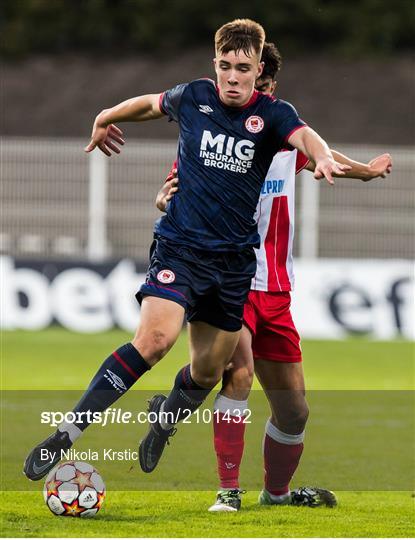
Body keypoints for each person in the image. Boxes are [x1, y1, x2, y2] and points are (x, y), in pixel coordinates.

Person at [24, 19, 351, 483]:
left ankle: (166, 419)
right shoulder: (194, 96)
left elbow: (306, 136)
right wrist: (105, 116)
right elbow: (149, 104)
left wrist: (320, 157)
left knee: (207, 371)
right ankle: (67, 432)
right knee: (155, 341)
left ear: (259, 69)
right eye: (224, 66)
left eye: (243, 68)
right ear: (214, 65)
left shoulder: (274, 115)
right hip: (180, 249)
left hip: (234, 265)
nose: (232, 77)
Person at [157, 42, 392, 512]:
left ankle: (276, 493)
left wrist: (363, 172)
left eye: (258, 86)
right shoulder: (214, 141)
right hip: (231, 276)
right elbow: (176, 184)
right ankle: (227, 491)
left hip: (276, 292)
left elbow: (322, 152)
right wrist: (164, 198)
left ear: (268, 87)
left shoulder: (284, 138)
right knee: (237, 375)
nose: (247, 101)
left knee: (294, 410)